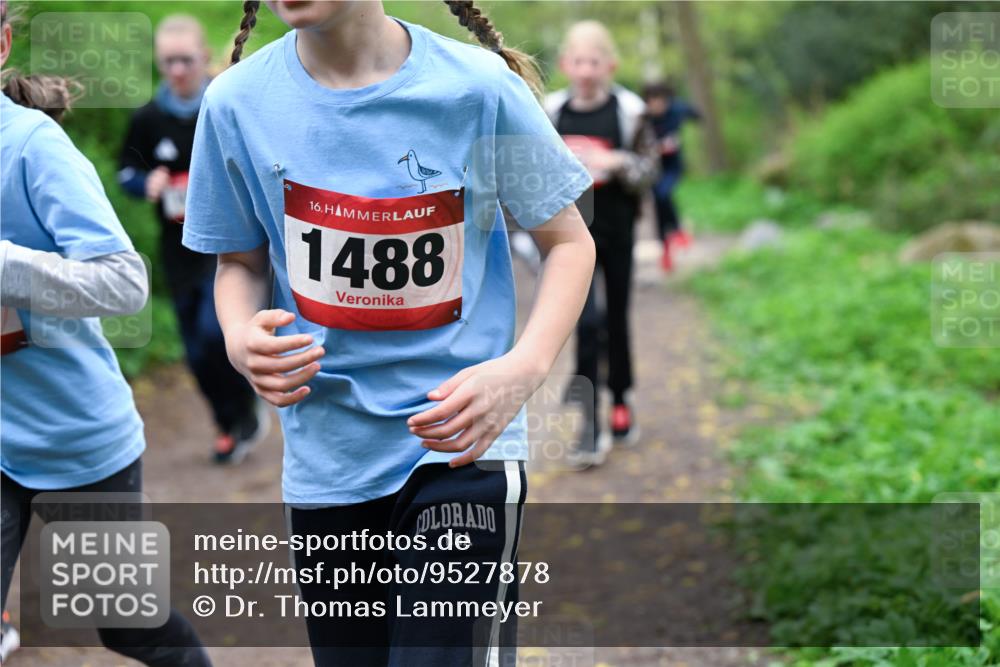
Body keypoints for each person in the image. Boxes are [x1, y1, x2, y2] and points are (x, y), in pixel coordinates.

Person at [181, 1, 595, 665]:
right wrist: (238, 333)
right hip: (330, 462)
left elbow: (568, 242)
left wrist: (523, 368)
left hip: (462, 450)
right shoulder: (235, 103)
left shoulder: (477, 88)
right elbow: (239, 261)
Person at [0, 2, 211, 664]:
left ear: (2, 43)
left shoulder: (30, 146)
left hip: (73, 438)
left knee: (127, 624)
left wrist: (6, 266)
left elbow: (122, 282)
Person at [118, 14, 266, 465]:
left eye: (185, 60)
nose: (178, 70)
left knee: (214, 330)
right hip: (177, 250)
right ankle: (229, 421)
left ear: (203, 57)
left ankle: (245, 408)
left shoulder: (224, 105)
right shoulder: (149, 118)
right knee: (196, 352)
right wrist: (147, 185)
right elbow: (126, 171)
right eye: (168, 62)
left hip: (228, 245)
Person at [544, 20, 660, 465]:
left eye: (595, 61)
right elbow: (535, 170)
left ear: (609, 64)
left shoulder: (628, 111)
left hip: (618, 231)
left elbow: (650, 169)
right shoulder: (552, 112)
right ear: (565, 64)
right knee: (586, 324)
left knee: (616, 319)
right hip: (571, 238)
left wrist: (616, 162)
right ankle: (589, 423)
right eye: (578, 61)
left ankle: (621, 398)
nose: (586, 70)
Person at [642, 81, 700, 272]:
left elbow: (694, 113)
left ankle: (678, 231)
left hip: (672, 167)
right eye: (653, 102)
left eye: (661, 101)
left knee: (663, 194)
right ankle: (665, 246)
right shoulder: (643, 118)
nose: (657, 106)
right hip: (652, 169)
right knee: (658, 205)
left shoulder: (676, 111)